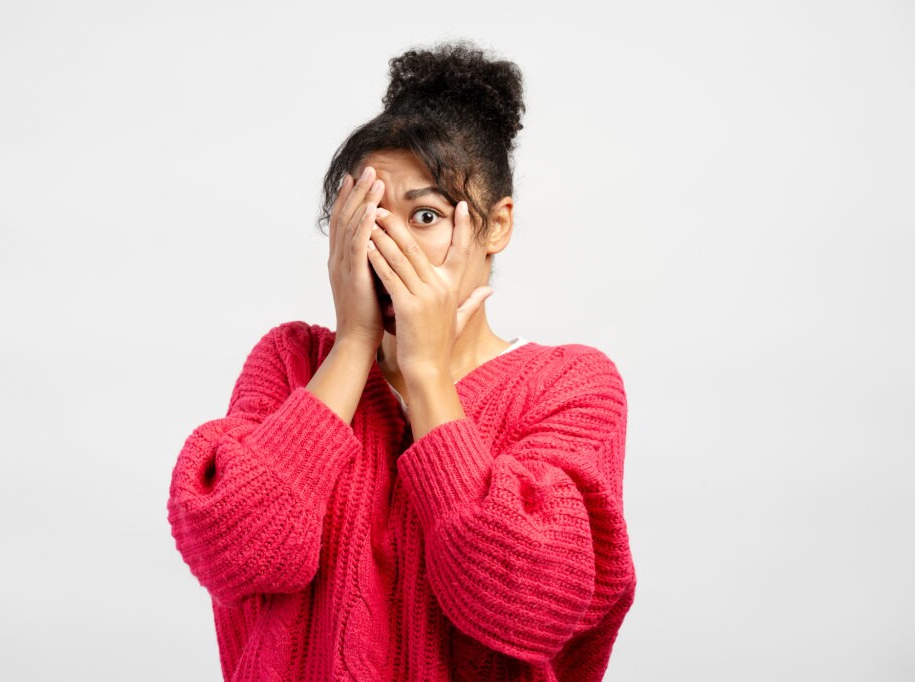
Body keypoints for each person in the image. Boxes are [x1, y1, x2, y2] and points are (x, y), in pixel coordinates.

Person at [167, 41, 635, 681]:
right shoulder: (291, 361)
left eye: (424, 215)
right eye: (369, 218)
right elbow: (234, 553)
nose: (390, 246)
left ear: (496, 226)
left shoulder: (568, 385)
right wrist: (355, 344)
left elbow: (530, 606)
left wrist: (427, 374)